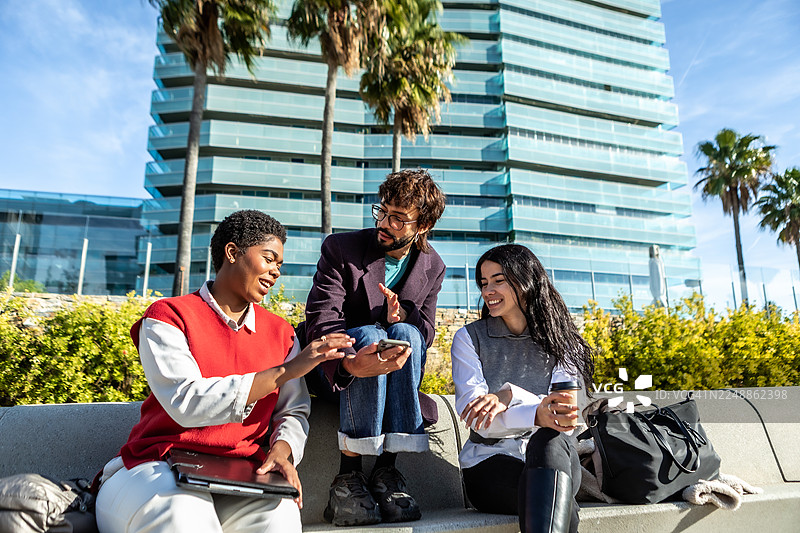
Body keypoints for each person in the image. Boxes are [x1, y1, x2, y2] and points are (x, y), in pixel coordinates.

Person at [95, 210, 352, 533]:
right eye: (269, 259)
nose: (275, 272)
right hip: (154, 466)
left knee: (281, 515)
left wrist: (283, 451)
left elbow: (293, 410)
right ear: (232, 253)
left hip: (239, 475)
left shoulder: (281, 333)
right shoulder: (168, 317)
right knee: (184, 513)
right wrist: (285, 371)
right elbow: (186, 403)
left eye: (280, 265)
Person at [304, 168, 447, 526]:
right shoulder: (342, 248)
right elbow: (321, 319)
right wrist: (352, 361)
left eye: (398, 219)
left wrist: (400, 319)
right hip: (338, 371)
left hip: (392, 375)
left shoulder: (433, 266)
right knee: (368, 334)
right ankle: (348, 477)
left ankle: (386, 473)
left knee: (408, 336)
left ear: (423, 225)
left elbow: (426, 332)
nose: (385, 222)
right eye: (381, 211)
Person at [450, 244, 594, 533]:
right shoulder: (469, 339)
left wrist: (510, 396)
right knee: (556, 500)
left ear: (525, 280)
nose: (488, 290)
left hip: (556, 456)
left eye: (498, 280)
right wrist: (537, 413)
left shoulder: (565, 342)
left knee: (550, 443)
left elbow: (565, 418)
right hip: (489, 466)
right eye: (483, 283)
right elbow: (480, 421)